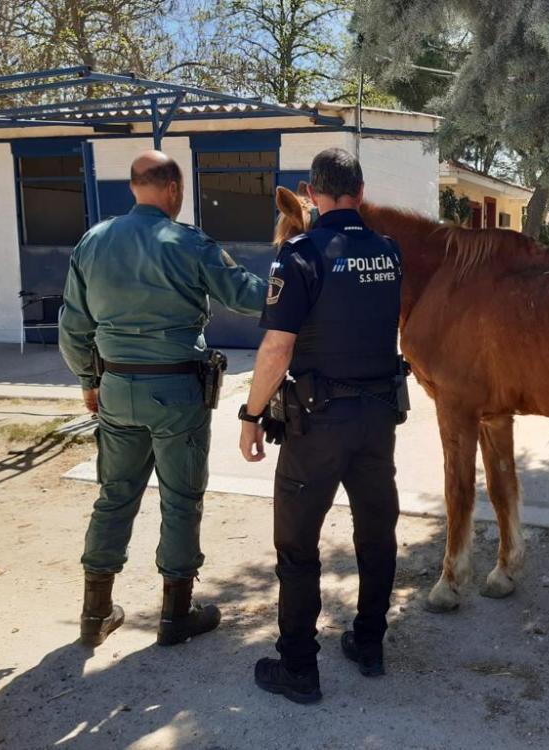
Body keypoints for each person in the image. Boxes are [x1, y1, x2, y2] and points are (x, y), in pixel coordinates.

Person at [59, 150, 267, 648]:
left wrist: (90, 380)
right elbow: (245, 295)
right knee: (180, 498)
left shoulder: (93, 241)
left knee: (114, 496)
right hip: (177, 392)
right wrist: (298, 279)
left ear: (134, 187)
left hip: (114, 387)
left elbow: (72, 327)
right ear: (173, 189)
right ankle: (176, 615)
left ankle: (96, 613)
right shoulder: (189, 242)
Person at [239, 148, 404, 704]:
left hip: (318, 425)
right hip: (379, 420)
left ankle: (299, 671)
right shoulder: (389, 252)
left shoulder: (299, 254)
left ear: (312, 193)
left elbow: (276, 349)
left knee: (297, 546)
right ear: (360, 190)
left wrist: (252, 414)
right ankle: (369, 644)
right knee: (376, 534)